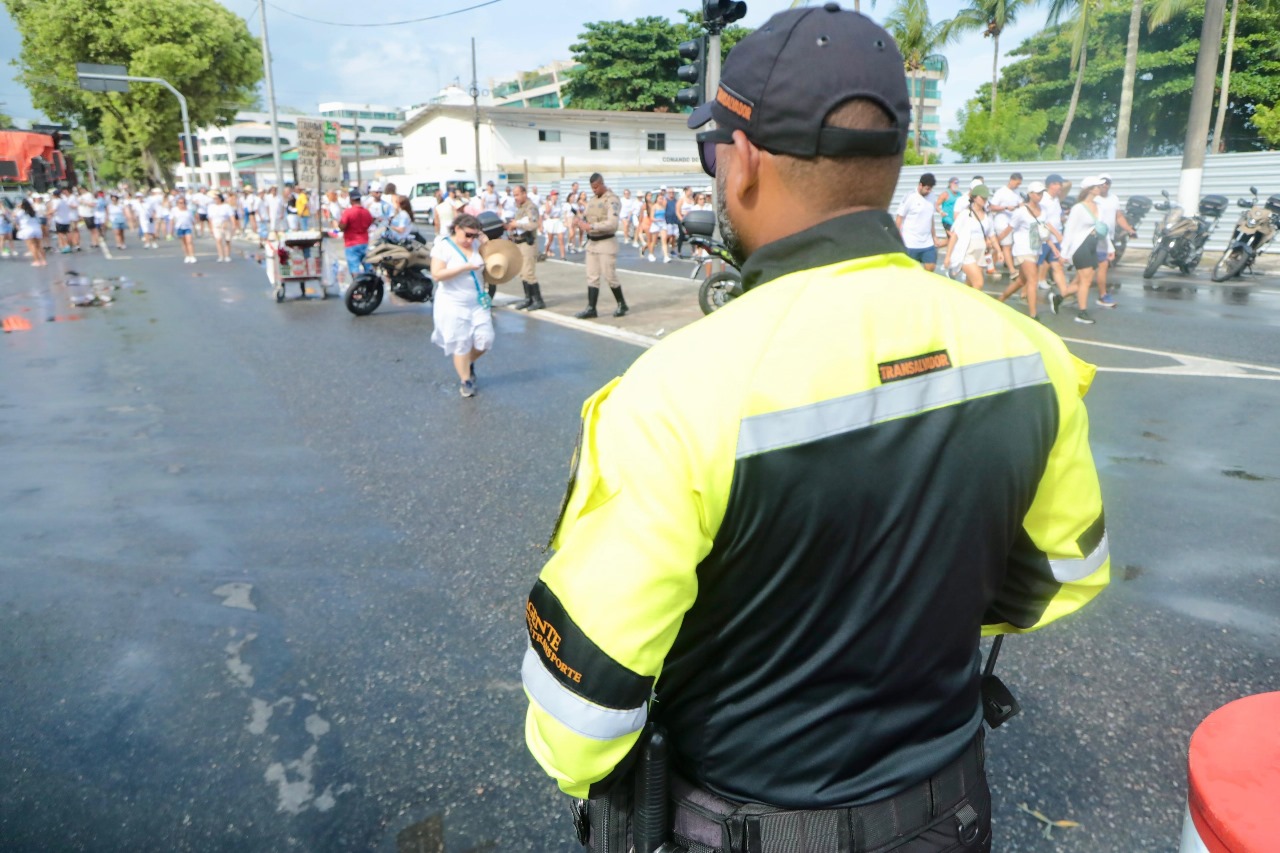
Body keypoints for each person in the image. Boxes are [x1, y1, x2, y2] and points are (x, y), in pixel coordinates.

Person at [523, 10, 1110, 853]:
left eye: (710, 153)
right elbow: (1065, 573)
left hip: (747, 823)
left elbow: (581, 717)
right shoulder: (1032, 355)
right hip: (948, 813)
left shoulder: (673, 392)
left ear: (746, 160)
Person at [428, 213, 492, 398]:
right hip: (452, 302)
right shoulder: (443, 247)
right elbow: (437, 274)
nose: (470, 239)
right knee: (461, 343)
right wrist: (464, 268)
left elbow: (493, 262)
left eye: (474, 235)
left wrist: (486, 243)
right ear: (457, 229)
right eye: (468, 235)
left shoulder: (477, 245)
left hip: (477, 300)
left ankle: (466, 362)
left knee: (485, 340)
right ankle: (466, 380)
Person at [995, 180, 1060, 321]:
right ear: (1030, 194)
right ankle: (1033, 314)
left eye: (1042, 193)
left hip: (1036, 249)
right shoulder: (1021, 212)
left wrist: (1053, 246)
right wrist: (994, 243)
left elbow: (1043, 230)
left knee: (1021, 281)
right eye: (1037, 193)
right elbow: (1009, 229)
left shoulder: (1043, 210)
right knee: (1033, 279)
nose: (1040, 196)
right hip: (1023, 250)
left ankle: (999, 300)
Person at [573, 173, 627, 318]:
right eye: (592, 188)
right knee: (592, 276)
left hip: (606, 242)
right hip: (592, 242)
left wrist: (591, 226)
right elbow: (587, 216)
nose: (594, 190)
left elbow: (612, 223)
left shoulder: (612, 200)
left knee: (609, 275)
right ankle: (591, 308)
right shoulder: (592, 200)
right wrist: (579, 221)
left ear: (602, 183)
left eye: (596, 187)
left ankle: (622, 304)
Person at [1061, 176, 1108, 324]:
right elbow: (1069, 231)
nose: (1100, 188)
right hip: (1080, 246)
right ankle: (1082, 313)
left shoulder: (1099, 207)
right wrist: (1064, 253)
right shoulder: (1078, 208)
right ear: (1090, 188)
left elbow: (1102, 229)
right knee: (1086, 281)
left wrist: (1109, 248)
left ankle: (1058, 297)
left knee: (1083, 279)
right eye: (1097, 186)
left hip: (1093, 245)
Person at [944, 184, 1000, 288]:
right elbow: (954, 236)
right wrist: (948, 256)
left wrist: (999, 251)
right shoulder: (965, 214)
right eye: (982, 197)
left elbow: (992, 235)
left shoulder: (987, 215)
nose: (984, 200)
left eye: (986, 198)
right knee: (978, 283)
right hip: (967, 252)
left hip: (981, 253)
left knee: (970, 285)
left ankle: (961, 302)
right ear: (974, 197)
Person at [1093, 175, 1136, 309]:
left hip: (1107, 238)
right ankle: (1102, 295)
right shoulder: (1094, 199)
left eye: (1108, 183)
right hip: (1094, 238)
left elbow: (1119, 216)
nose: (1105, 185)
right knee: (1093, 269)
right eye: (1103, 183)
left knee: (1099, 268)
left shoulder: (1114, 198)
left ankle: (1101, 295)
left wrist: (1129, 229)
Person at [505, 185, 544, 310]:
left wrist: (517, 224)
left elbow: (533, 224)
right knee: (522, 273)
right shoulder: (519, 208)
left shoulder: (530, 207)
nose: (515, 198)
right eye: (514, 195)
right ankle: (528, 298)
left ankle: (538, 300)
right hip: (519, 242)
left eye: (517, 195)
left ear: (524, 194)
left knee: (529, 273)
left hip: (528, 243)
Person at [895, 172, 940, 271]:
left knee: (931, 267)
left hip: (927, 242)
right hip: (910, 243)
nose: (929, 191)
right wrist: (897, 238)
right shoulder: (910, 197)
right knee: (910, 273)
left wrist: (934, 236)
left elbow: (930, 217)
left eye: (931, 189)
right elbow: (899, 218)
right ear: (920, 185)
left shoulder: (932, 196)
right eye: (927, 188)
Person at [988, 173, 1023, 276]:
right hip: (1002, 223)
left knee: (1000, 246)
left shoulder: (1016, 192)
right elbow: (992, 207)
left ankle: (990, 267)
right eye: (1017, 183)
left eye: (1019, 184)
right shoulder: (1001, 192)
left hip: (1013, 223)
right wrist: (1006, 208)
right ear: (1011, 180)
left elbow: (1020, 204)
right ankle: (1012, 270)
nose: (1018, 186)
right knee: (1006, 247)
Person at [337, 189, 374, 276]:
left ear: (351, 199)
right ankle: (371, 285)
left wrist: (340, 226)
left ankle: (357, 286)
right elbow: (370, 223)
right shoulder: (366, 212)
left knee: (354, 268)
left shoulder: (348, 212)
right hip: (364, 242)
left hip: (351, 243)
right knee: (368, 266)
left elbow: (342, 226)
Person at [17, 198, 46, 267]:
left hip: (28, 230)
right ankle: (44, 260)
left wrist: (18, 208)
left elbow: (15, 218)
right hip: (37, 229)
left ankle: (36, 261)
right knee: (39, 245)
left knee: (32, 246)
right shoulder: (34, 211)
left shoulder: (21, 212)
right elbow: (38, 220)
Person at [207, 192, 236, 262]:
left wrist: (234, 225)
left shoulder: (226, 206)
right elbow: (210, 218)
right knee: (218, 239)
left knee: (227, 240)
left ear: (220, 198)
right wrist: (210, 228)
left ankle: (227, 255)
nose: (215, 200)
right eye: (214, 199)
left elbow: (231, 216)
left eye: (216, 198)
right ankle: (220, 255)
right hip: (216, 225)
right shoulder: (211, 207)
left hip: (225, 224)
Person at [542, 190, 566, 260]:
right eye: (554, 195)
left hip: (558, 221)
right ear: (552, 196)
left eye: (556, 195)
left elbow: (560, 213)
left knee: (561, 239)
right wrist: (551, 203)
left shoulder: (558, 204)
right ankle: (546, 251)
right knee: (550, 240)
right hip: (551, 221)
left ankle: (563, 256)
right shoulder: (548, 203)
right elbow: (547, 212)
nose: (556, 196)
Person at [173, 196, 197, 263]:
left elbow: (193, 220)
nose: (182, 204)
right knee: (184, 242)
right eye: (180, 203)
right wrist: (170, 231)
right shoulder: (175, 210)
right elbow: (172, 220)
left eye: (183, 203)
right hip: (179, 228)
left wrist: (195, 228)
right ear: (177, 204)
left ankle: (192, 256)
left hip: (188, 228)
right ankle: (187, 256)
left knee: (189, 241)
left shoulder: (188, 211)